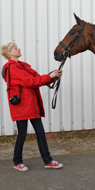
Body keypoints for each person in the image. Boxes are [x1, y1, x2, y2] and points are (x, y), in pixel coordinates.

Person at [1, 41, 63, 171]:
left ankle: (48, 161)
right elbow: (31, 82)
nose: (19, 49)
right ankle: (17, 162)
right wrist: (49, 76)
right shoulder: (12, 68)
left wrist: (52, 76)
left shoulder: (23, 66)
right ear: (9, 53)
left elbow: (38, 78)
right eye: (15, 48)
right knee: (22, 135)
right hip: (22, 106)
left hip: (31, 105)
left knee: (40, 133)